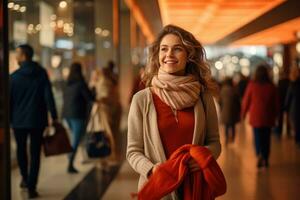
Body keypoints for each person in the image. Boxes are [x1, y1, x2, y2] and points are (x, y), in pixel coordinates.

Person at [127, 25, 223, 199]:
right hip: (158, 187)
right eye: (164, 49)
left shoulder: (203, 96)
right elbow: (133, 151)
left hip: (195, 188)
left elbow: (215, 142)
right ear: (157, 56)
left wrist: (203, 158)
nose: (169, 54)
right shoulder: (142, 99)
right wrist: (151, 169)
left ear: (189, 56)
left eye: (177, 49)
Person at [10, 44, 58, 198]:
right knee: (35, 153)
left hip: (18, 121)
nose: (16, 57)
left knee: (21, 150)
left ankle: (24, 177)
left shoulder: (14, 77)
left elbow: (9, 101)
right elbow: (48, 96)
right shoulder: (41, 73)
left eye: (17, 54)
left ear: (24, 56)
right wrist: (54, 116)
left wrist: (9, 120)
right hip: (37, 120)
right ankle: (32, 186)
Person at [241, 64, 278, 168]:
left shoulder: (252, 85)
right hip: (268, 117)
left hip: (256, 117)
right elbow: (276, 103)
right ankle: (266, 158)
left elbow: (246, 101)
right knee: (267, 138)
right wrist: (276, 115)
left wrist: (243, 114)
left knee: (257, 137)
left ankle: (259, 154)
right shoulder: (271, 86)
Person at [62, 62, 95, 173]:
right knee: (76, 139)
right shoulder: (81, 84)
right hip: (77, 115)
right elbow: (90, 98)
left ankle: (70, 156)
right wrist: (94, 90)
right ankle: (70, 163)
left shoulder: (67, 83)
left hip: (66, 115)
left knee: (75, 137)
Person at [219, 77, 240, 144]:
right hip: (233, 111)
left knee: (226, 126)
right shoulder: (234, 90)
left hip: (225, 111)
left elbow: (220, 102)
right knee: (233, 126)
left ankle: (227, 139)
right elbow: (238, 102)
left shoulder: (222, 90)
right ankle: (233, 139)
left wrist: (221, 109)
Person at [285, 66, 300, 147]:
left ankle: (297, 140)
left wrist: (286, 108)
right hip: (295, 108)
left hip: (295, 108)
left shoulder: (292, 85)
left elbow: (288, 98)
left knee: (296, 125)